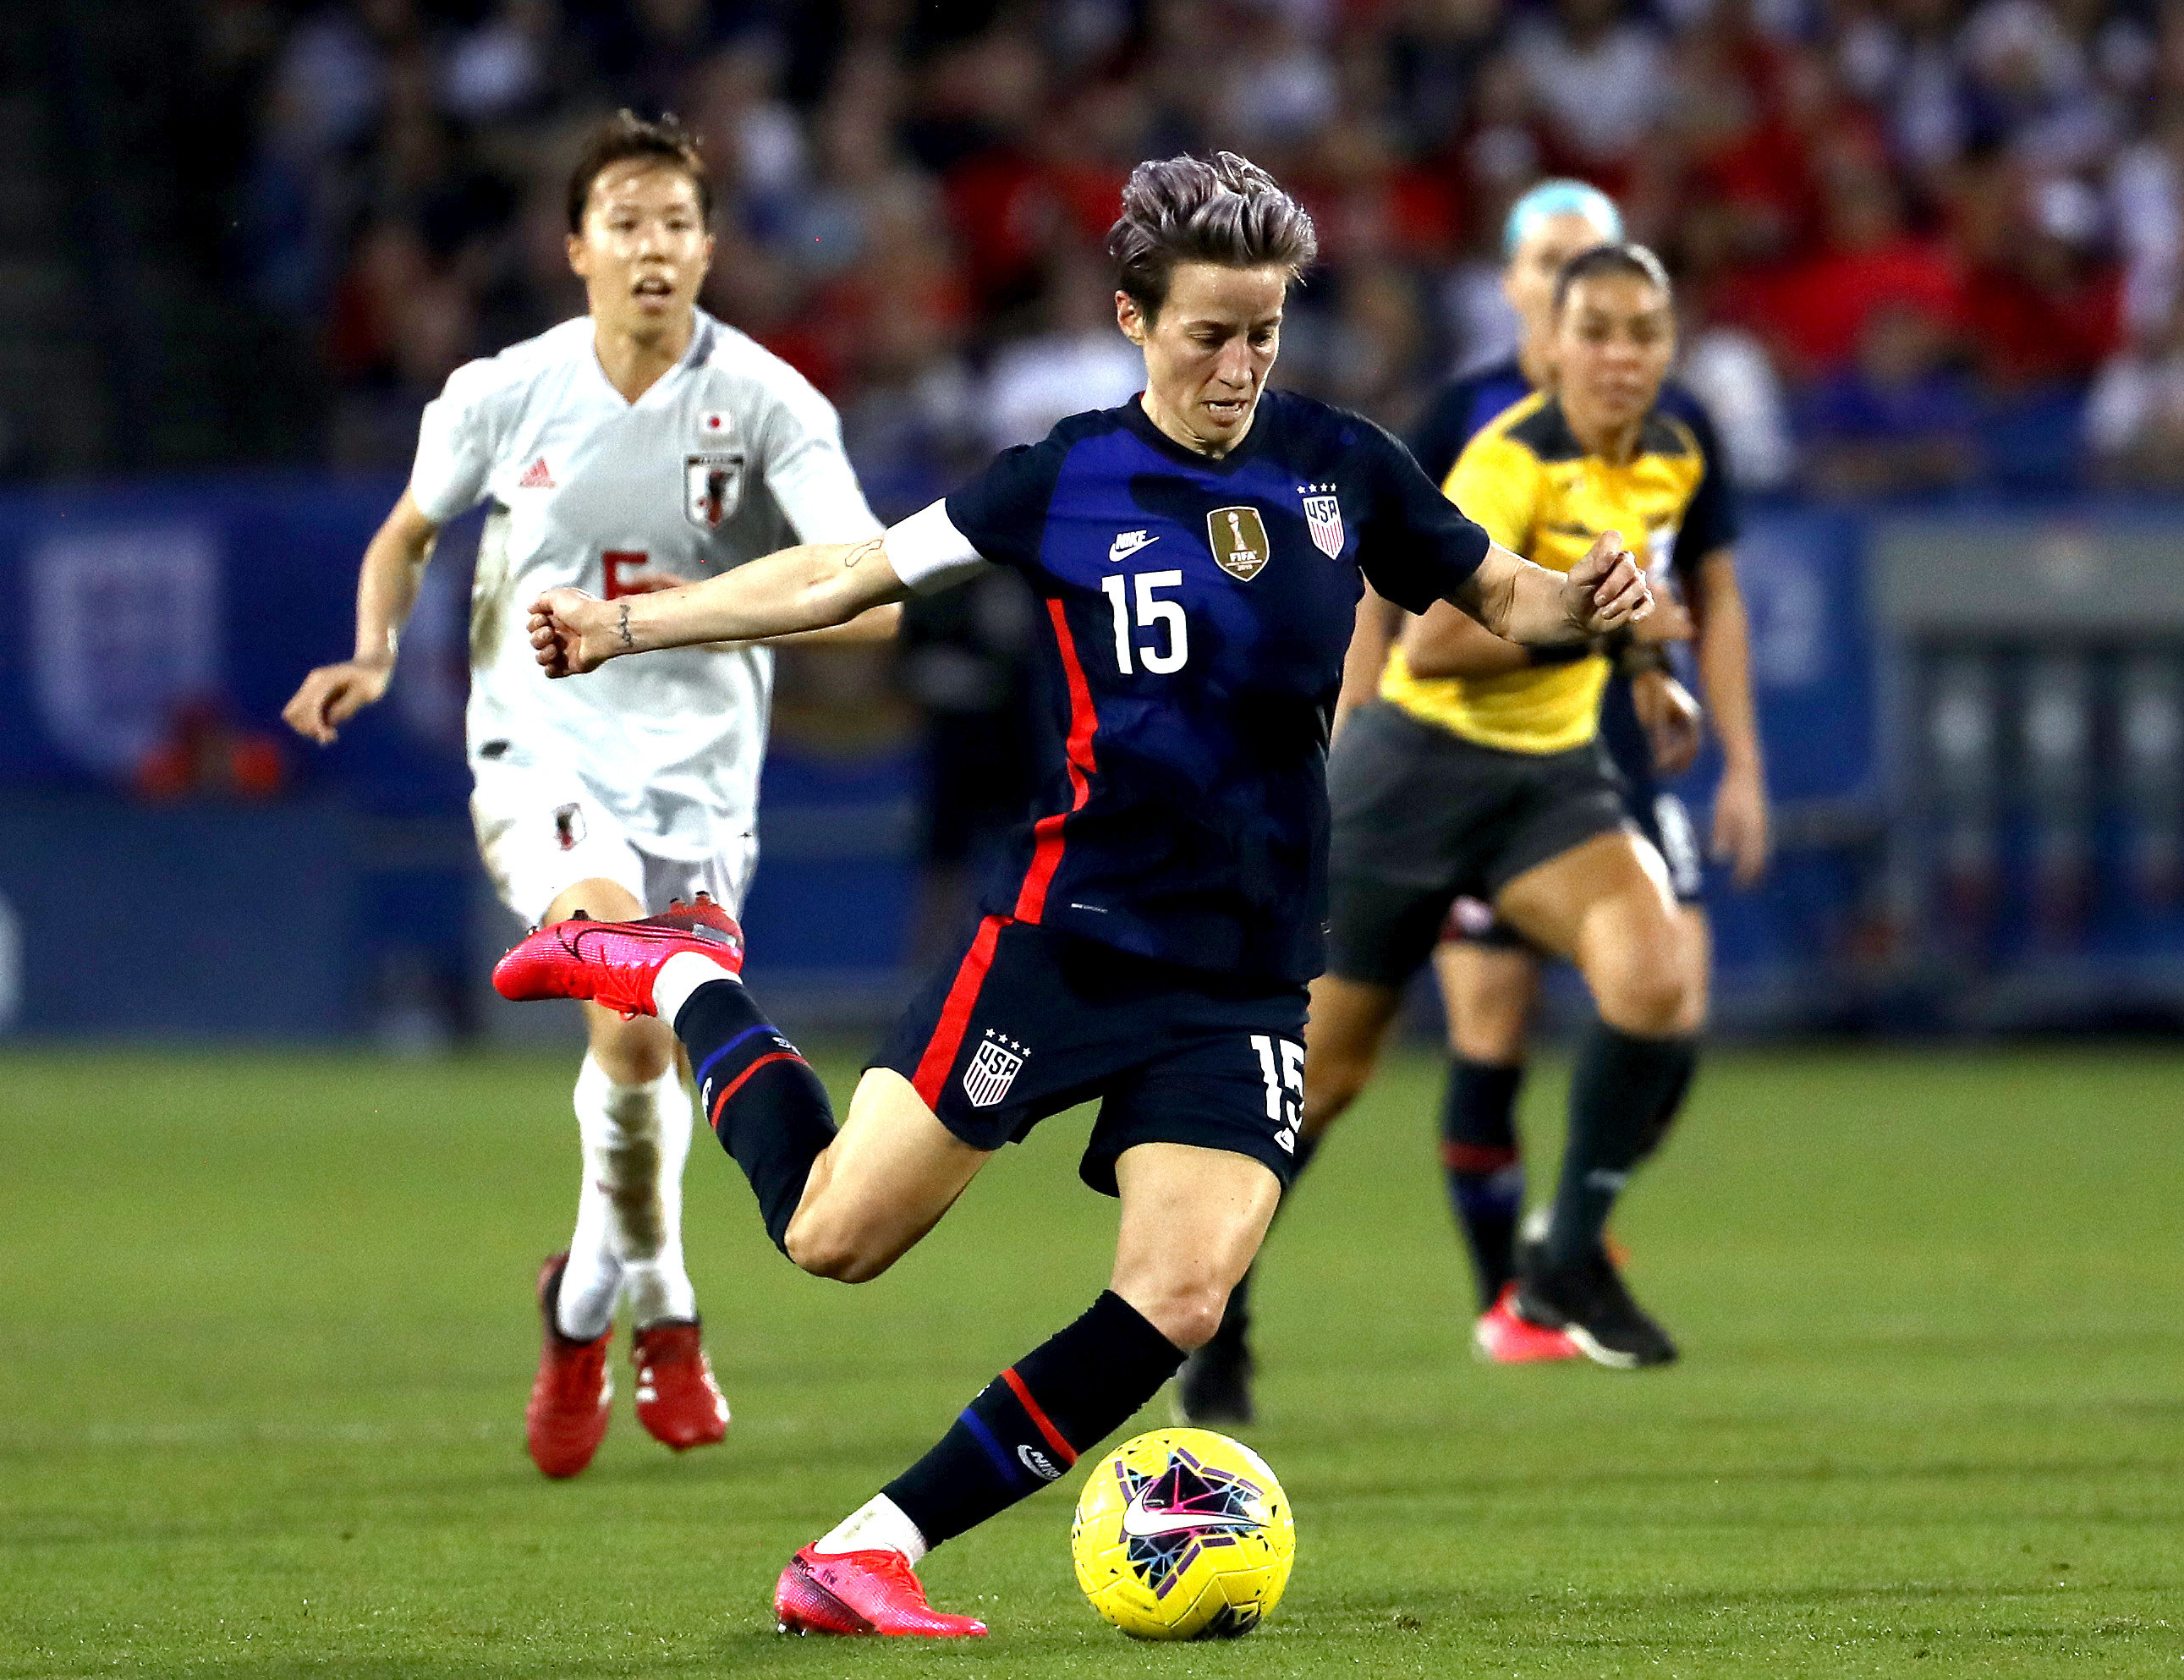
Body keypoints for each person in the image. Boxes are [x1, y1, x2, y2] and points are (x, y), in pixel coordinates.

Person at [488, 151, 1653, 1637]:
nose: (1238, 366)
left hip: (1241, 973)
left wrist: (1587, 601)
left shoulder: (1343, 465)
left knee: (1180, 1295)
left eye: (1263, 334)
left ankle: (866, 1548)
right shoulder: (1063, 478)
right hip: (1068, 942)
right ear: (1131, 317)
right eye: (1207, 335)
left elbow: (1508, 596)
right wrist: (626, 621)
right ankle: (678, 973)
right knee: (834, 1236)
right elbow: (843, 576)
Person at [283, 112, 896, 1480]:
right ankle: (665, 1309)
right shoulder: (505, 391)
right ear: (576, 248)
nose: (653, 246)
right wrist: (374, 651)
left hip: (700, 784)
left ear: (709, 246)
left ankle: (586, 1303)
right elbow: (406, 533)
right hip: (541, 752)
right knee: (631, 1007)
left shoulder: (771, 404)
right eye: (624, 220)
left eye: (676, 221)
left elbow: (868, 597)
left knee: (641, 1044)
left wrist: (714, 606)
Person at [1177, 188, 1770, 1421]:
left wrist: (1648, 670)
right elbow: (1436, 650)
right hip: (1416, 777)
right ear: (1548, 342)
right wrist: (1608, 634)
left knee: (1655, 978)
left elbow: (1626, 594)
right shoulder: (1505, 455)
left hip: (1549, 782)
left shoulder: (1671, 453)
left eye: (1642, 333)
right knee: (1324, 1079)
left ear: (1670, 348)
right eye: (1594, 331)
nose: (1619, 355)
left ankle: (1557, 1265)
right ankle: (1211, 1311)